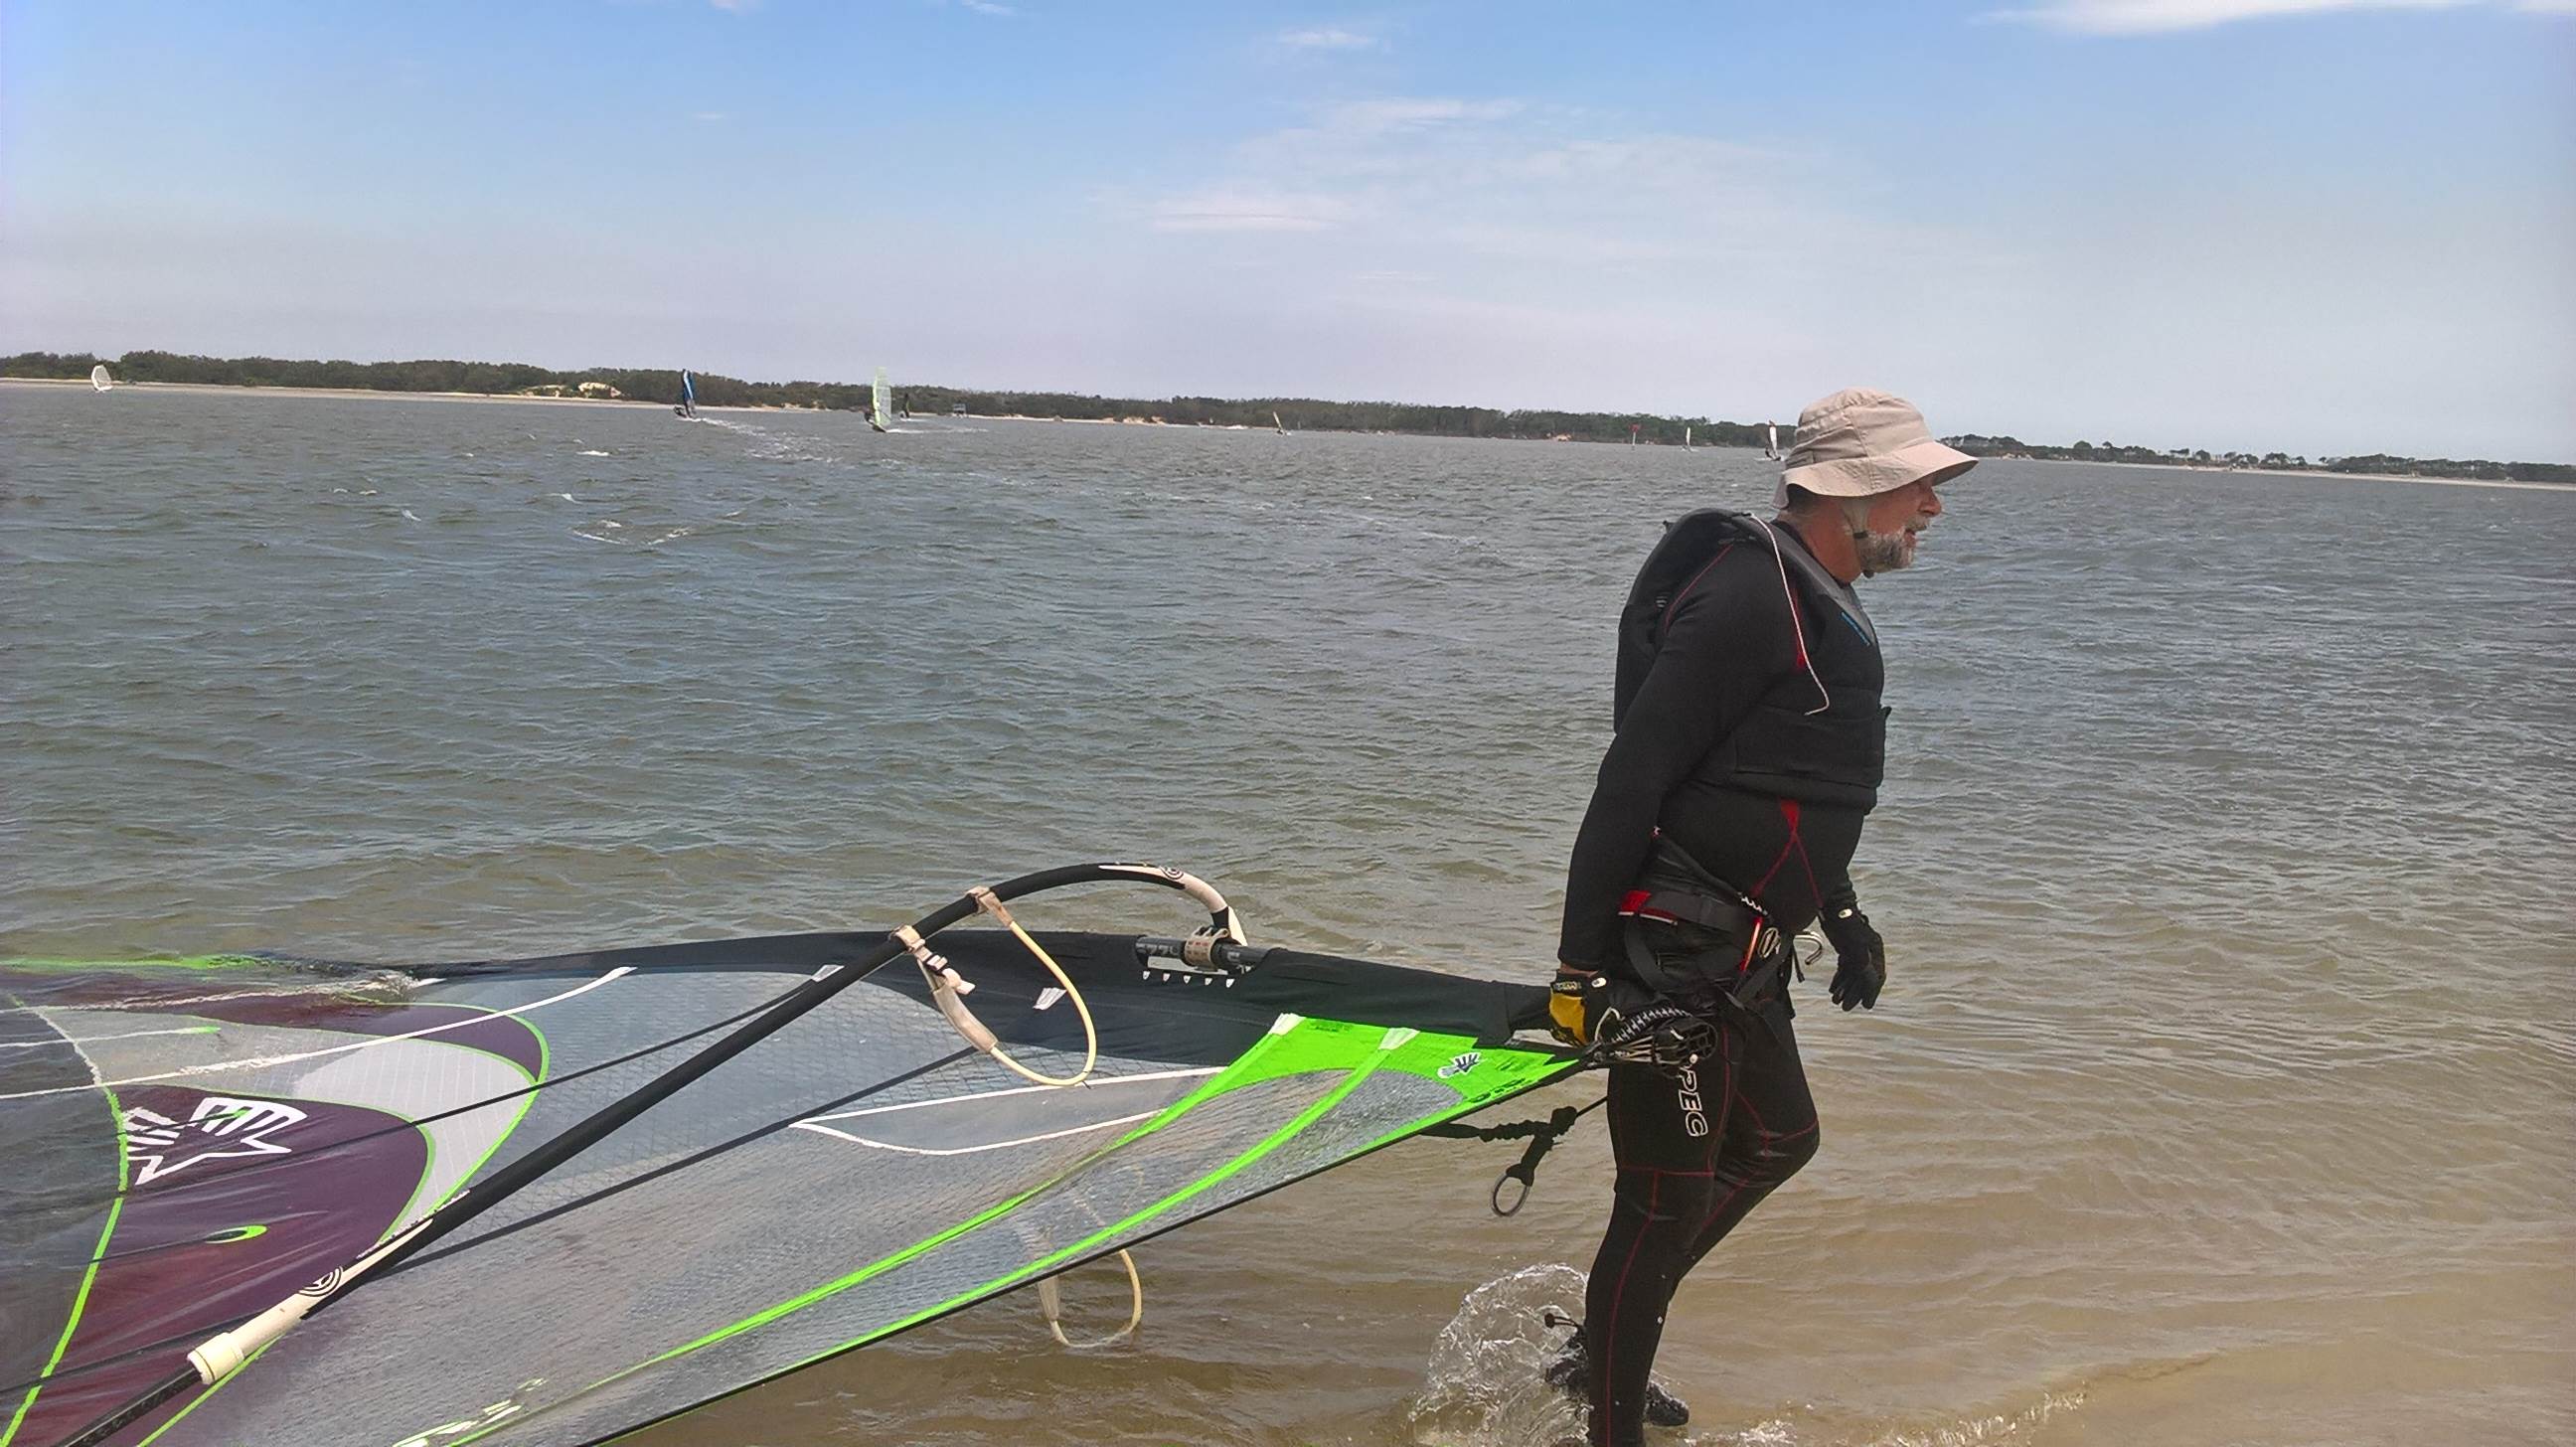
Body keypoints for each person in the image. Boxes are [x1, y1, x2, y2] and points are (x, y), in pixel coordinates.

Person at [1546, 388, 1972, 1445]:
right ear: (1851, 490)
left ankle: (1603, 1350)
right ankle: (1607, 1415)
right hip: (1677, 959)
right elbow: (1634, 776)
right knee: (1661, 1205)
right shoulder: (1749, 592)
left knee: (1781, 1140)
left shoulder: (1818, 590)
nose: (1933, 505)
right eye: (1917, 484)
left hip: (1745, 955)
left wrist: (1843, 911)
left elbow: (1788, 785)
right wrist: (1579, 972)